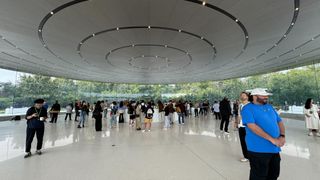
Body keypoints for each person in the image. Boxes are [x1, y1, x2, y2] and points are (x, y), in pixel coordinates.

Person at [241, 88, 285, 180]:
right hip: (258, 150)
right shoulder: (247, 109)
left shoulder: (269, 107)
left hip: (274, 149)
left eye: (267, 95)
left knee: (274, 174)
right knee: (259, 176)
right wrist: (272, 139)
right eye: (263, 95)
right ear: (254, 96)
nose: (266, 97)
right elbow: (252, 127)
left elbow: (279, 121)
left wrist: (282, 135)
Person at [238, 92, 250, 162]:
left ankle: (252, 156)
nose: (242, 96)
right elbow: (238, 114)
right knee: (243, 142)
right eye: (241, 95)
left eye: (244, 95)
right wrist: (237, 123)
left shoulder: (250, 105)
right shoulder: (240, 105)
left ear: (247, 97)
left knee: (249, 142)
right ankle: (246, 156)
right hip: (241, 126)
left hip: (248, 126)